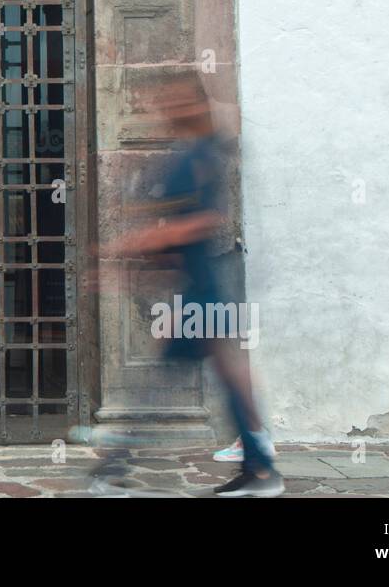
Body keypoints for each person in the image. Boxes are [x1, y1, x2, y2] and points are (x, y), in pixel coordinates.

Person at [99, 71, 282, 497]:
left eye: (176, 101)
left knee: (161, 383)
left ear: (194, 104)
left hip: (204, 289)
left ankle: (113, 469)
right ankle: (260, 469)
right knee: (213, 377)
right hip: (198, 286)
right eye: (165, 101)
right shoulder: (193, 153)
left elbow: (203, 220)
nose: (167, 108)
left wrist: (139, 240)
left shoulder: (200, 155)